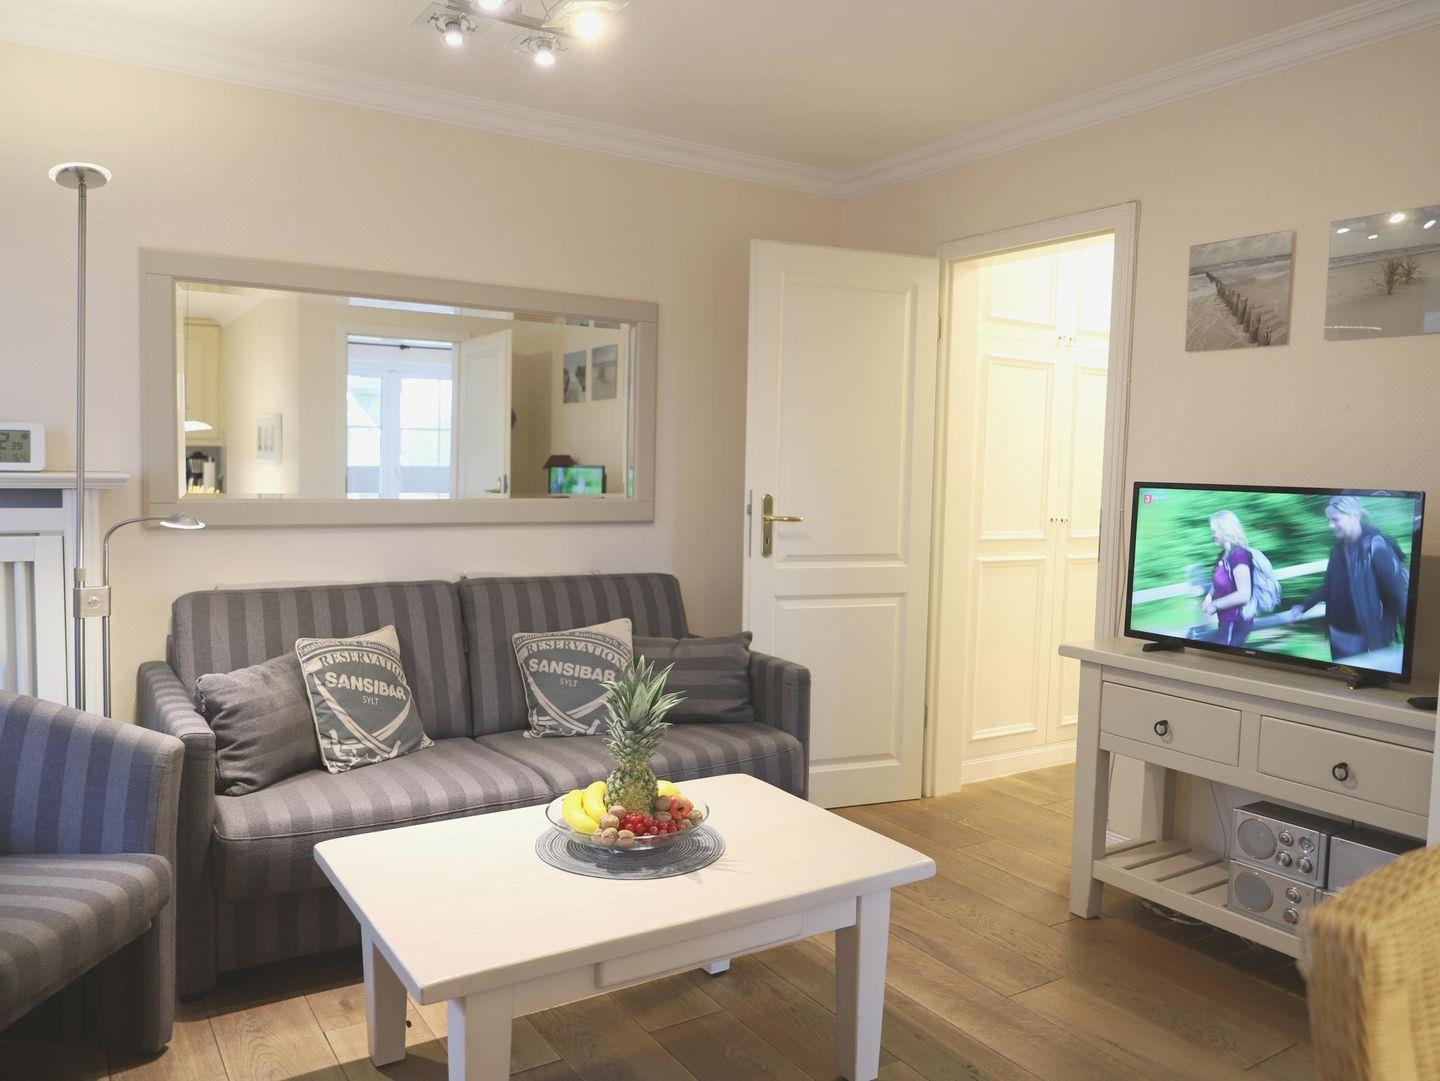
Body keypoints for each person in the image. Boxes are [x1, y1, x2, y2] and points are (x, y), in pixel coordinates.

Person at [1287, 495, 1410, 663]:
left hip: (1367, 646)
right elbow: (1328, 587)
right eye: (1329, 520)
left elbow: (1397, 596)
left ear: (1355, 515)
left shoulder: (1377, 548)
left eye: (1335, 520)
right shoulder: (1338, 551)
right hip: (1338, 641)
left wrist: (1411, 648)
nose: (1331, 525)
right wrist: (1303, 606)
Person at [1201, 510, 1255, 646]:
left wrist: (1215, 604)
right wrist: (1209, 596)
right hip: (1226, 621)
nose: (1212, 535)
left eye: (1215, 531)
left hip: (1236, 622)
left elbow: (1244, 595)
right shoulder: (1223, 556)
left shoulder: (1238, 555)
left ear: (1226, 530)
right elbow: (1219, 581)